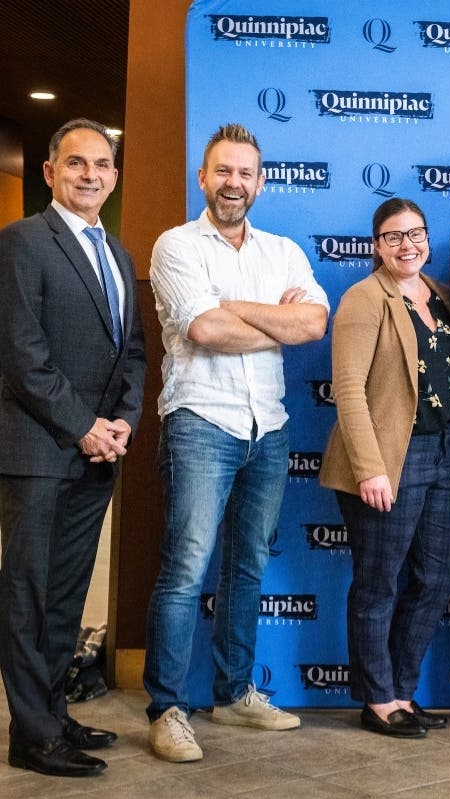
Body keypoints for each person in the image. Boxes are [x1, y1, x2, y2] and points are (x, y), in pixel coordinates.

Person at [143, 123, 329, 762]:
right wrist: (268, 320)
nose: (234, 183)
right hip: (201, 419)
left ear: (261, 181)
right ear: (204, 177)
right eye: (223, 171)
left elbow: (313, 321)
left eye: (246, 172)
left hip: (268, 426)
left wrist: (235, 309)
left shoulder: (281, 250)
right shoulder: (176, 245)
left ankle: (232, 692)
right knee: (186, 568)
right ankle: (166, 706)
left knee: (247, 566)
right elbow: (202, 328)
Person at [0, 118, 146, 777]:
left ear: (114, 175)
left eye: (103, 164)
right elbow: (21, 357)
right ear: (50, 172)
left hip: (96, 451)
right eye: (77, 162)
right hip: (38, 449)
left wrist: (122, 422)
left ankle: (53, 715)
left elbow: (133, 354)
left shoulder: (117, 253)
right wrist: (82, 424)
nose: (91, 173)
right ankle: (31, 737)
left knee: (66, 595)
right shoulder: (22, 242)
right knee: (28, 594)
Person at [319, 198, 450, 739]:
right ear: (377, 245)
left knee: (439, 576)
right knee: (378, 584)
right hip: (387, 459)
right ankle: (377, 698)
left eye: (416, 234)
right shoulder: (363, 298)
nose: (408, 245)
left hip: (444, 452)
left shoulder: (442, 295)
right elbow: (349, 390)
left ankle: (403, 689)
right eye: (394, 236)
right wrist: (369, 469)